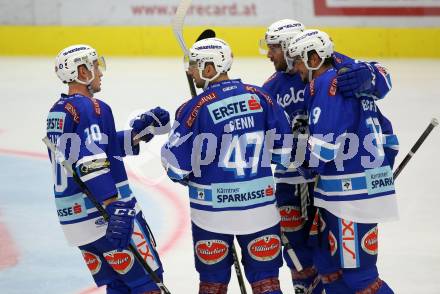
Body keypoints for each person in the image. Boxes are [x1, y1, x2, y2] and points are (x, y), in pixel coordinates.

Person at [259, 19, 393, 293]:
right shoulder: (276, 85)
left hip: (340, 185)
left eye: (274, 48)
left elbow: (382, 79)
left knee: (355, 271)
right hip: (317, 183)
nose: (270, 54)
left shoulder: (336, 74)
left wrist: (371, 74)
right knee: (316, 259)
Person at [161, 37, 292, 294]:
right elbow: (284, 152)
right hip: (260, 211)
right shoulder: (262, 97)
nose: (189, 71)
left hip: (212, 215)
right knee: (267, 283)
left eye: (194, 65)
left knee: (213, 285)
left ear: (210, 68)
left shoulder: (193, 109)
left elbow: (175, 167)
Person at [46, 44, 170, 293]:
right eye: (95, 66)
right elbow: (90, 161)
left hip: (75, 221)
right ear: (82, 72)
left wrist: (137, 135)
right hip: (104, 215)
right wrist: (113, 206)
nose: (100, 72)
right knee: (148, 282)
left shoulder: (58, 111)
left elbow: (96, 148)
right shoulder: (91, 107)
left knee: (118, 284)